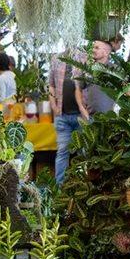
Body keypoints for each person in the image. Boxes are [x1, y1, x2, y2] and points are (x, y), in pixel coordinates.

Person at [48, 47, 86, 184]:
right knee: (62, 151)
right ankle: (60, 189)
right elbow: (51, 85)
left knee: (84, 152)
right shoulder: (56, 58)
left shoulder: (85, 58)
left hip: (81, 115)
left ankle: (85, 185)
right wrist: (53, 104)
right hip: (62, 115)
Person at [75, 40, 116, 120]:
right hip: (90, 118)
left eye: (97, 48)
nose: (93, 50)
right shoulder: (87, 69)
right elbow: (78, 89)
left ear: (106, 52)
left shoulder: (115, 70)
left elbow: (126, 90)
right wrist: (81, 108)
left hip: (111, 119)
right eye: (93, 47)